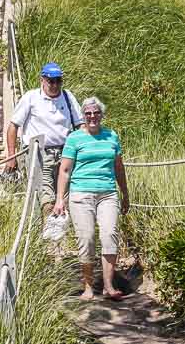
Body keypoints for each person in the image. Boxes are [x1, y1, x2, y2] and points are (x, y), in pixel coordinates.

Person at [53, 96, 130, 301]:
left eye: (96, 113)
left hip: (107, 193)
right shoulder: (75, 138)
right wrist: (60, 199)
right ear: (83, 116)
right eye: (88, 114)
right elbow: (65, 170)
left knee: (109, 234)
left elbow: (118, 167)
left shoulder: (111, 136)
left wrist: (125, 193)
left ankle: (108, 286)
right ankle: (88, 286)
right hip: (81, 193)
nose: (92, 116)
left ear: (101, 115)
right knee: (86, 238)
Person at [4, 62, 84, 216]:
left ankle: (57, 234)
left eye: (58, 81)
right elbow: (13, 126)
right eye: (50, 81)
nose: (55, 85)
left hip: (65, 153)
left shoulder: (67, 97)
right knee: (44, 197)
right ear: (42, 80)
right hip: (38, 154)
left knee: (64, 197)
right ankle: (44, 232)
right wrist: (11, 156)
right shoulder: (31, 98)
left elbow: (80, 125)